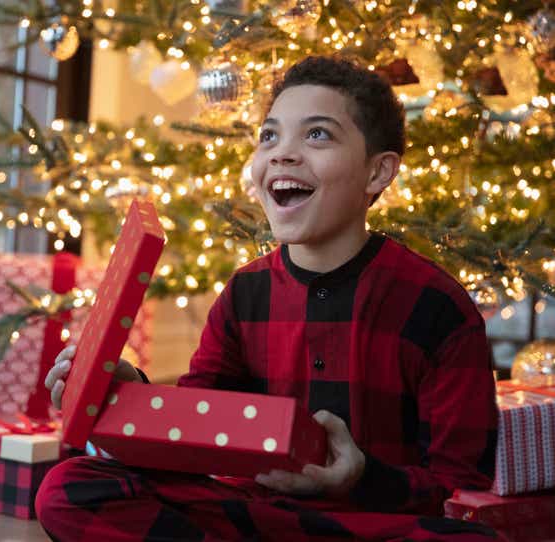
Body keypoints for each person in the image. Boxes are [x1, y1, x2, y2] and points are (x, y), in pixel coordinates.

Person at [35, 56, 501, 541]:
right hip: (255, 516)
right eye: (269, 136)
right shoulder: (244, 293)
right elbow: (196, 424)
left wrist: (361, 476)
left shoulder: (439, 306)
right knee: (70, 488)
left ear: (378, 173)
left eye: (317, 134)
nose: (282, 154)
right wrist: (130, 392)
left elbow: (458, 488)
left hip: (373, 526)